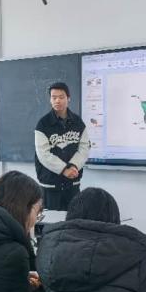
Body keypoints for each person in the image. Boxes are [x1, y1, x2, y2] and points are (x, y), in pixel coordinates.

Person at [34, 82, 91, 211]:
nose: (57, 101)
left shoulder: (78, 122)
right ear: (50, 99)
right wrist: (64, 169)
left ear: (68, 98)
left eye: (61, 97)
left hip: (72, 184)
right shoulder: (43, 124)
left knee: (73, 219)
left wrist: (74, 166)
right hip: (50, 187)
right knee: (51, 221)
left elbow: (84, 147)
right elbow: (43, 154)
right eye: (54, 97)